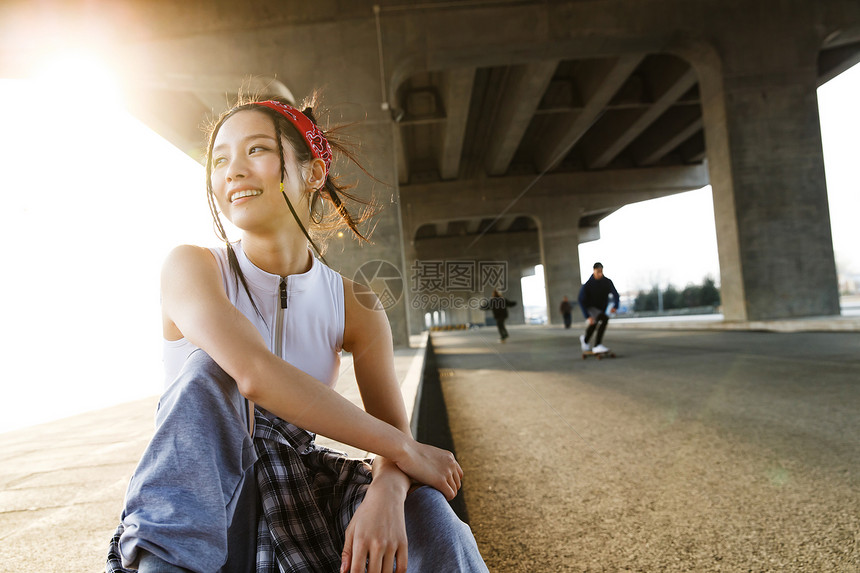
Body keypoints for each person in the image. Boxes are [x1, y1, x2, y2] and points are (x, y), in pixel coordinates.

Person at [105, 96, 488, 573]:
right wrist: (404, 451)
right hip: (209, 505)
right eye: (220, 159)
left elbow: (393, 438)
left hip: (302, 493)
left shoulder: (355, 303)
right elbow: (253, 374)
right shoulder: (193, 266)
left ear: (313, 172)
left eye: (257, 150)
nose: (233, 171)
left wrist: (387, 494)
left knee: (427, 513)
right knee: (209, 369)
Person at [578, 262, 619, 354]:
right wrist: (587, 316)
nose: (600, 274)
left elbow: (615, 294)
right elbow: (581, 300)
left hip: (600, 308)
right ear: (594, 271)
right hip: (590, 307)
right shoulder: (588, 285)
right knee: (604, 319)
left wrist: (616, 306)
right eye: (598, 272)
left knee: (594, 324)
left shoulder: (607, 282)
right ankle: (597, 345)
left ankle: (585, 340)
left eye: (601, 271)